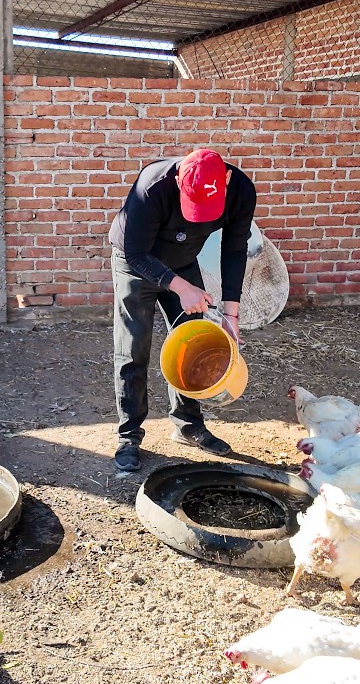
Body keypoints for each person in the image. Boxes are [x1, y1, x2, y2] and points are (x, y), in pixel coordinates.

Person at [108, 148, 256, 471]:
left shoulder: (241, 191)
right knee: (133, 348)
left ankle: (187, 424)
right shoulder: (152, 186)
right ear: (178, 181)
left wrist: (231, 315)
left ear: (226, 179)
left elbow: (235, 249)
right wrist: (182, 288)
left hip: (184, 261)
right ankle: (129, 435)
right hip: (137, 265)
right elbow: (135, 252)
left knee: (192, 344)